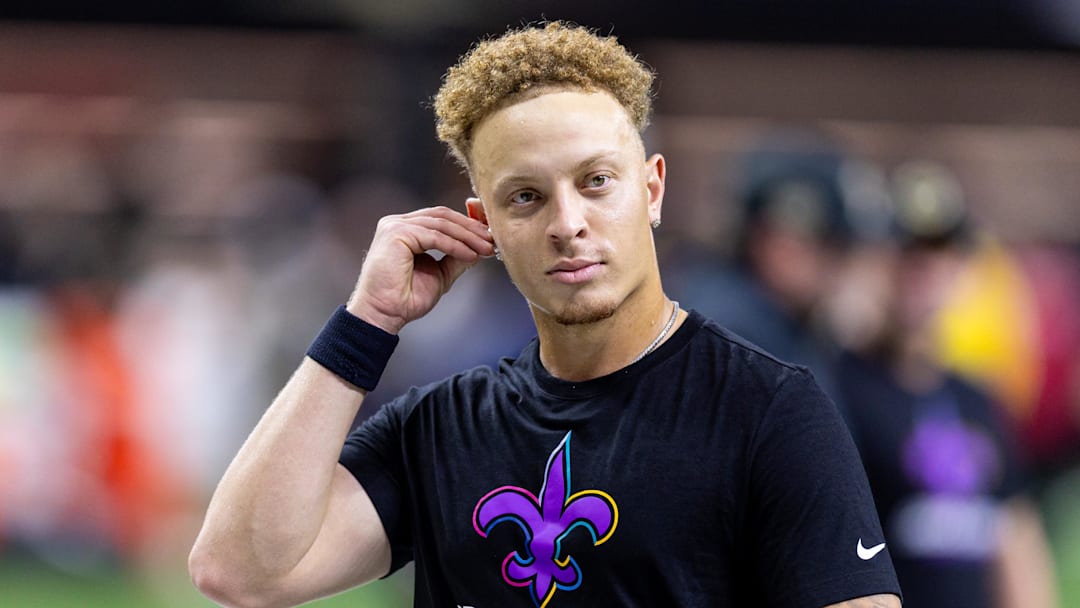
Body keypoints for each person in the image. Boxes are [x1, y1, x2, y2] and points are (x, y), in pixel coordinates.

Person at [189, 22, 901, 608]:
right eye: (526, 196)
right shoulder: (441, 427)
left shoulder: (768, 409)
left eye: (596, 182)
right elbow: (238, 572)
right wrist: (366, 322)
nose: (568, 223)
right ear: (484, 224)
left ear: (651, 190)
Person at [831, 161, 1059, 608]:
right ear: (878, 258)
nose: (923, 271)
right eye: (907, 250)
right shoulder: (838, 386)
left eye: (939, 252)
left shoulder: (978, 400)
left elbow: (1016, 543)